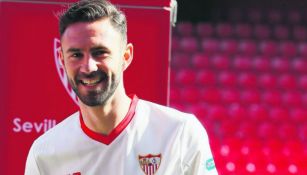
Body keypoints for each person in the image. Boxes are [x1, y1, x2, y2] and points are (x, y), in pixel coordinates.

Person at [25, 0, 218, 174]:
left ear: (126, 56)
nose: (88, 67)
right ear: (62, 60)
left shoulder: (180, 133)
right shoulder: (44, 153)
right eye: (76, 55)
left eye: (100, 52)